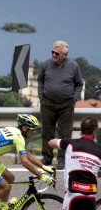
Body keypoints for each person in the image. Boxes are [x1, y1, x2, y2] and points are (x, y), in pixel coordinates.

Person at [0, 114, 55, 210]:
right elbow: (25, 162)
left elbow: (26, 153)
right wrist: (41, 176)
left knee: (10, 178)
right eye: (32, 129)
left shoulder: (14, 131)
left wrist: (44, 167)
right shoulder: (18, 137)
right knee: (4, 187)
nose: (34, 132)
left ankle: (2, 207)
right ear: (24, 128)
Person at [38, 40, 84, 170]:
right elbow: (40, 80)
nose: (54, 55)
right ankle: (47, 158)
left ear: (64, 55)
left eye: (57, 53)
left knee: (64, 134)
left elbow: (79, 84)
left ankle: (62, 160)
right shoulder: (46, 64)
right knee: (47, 131)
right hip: (47, 102)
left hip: (66, 104)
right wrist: (41, 96)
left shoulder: (73, 66)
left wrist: (74, 98)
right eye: (53, 52)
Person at [48, 117, 101, 210]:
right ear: (94, 131)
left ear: (81, 130)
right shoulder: (99, 150)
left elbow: (51, 143)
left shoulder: (70, 143)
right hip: (90, 197)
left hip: (72, 196)